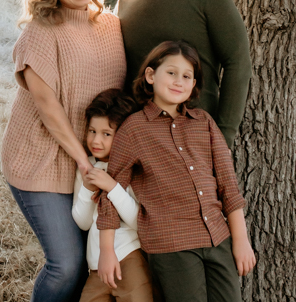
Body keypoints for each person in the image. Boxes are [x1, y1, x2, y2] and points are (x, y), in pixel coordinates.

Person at [2, 0, 127, 302]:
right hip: (40, 159)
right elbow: (48, 108)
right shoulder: (40, 30)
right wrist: (83, 161)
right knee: (66, 265)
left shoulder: (112, 26)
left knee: (91, 266)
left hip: (92, 162)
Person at [96, 41, 256, 302]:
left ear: (194, 84)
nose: (178, 81)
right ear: (150, 75)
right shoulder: (134, 129)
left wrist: (241, 240)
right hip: (171, 245)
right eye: (171, 72)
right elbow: (109, 192)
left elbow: (228, 184)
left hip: (217, 238)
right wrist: (106, 251)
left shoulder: (204, 122)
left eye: (187, 76)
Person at [113, 0, 251, 147]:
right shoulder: (124, 7)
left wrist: (222, 138)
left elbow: (237, 62)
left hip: (198, 143)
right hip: (143, 146)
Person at [72, 89, 152, 302]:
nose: (96, 140)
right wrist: (87, 188)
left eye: (106, 134)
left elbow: (139, 221)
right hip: (96, 267)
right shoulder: (87, 167)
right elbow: (83, 223)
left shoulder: (135, 170)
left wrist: (113, 188)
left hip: (129, 258)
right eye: (92, 131)